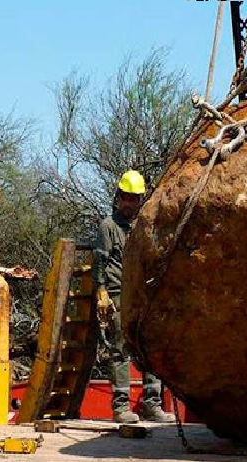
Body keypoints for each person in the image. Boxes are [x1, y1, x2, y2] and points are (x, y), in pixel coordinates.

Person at [93, 170, 175, 424]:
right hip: (118, 295)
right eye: (126, 198)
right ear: (119, 197)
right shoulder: (109, 226)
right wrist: (102, 291)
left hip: (142, 295)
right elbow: (100, 262)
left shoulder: (144, 225)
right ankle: (120, 407)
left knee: (149, 348)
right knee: (119, 350)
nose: (130, 203)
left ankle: (152, 403)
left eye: (134, 199)